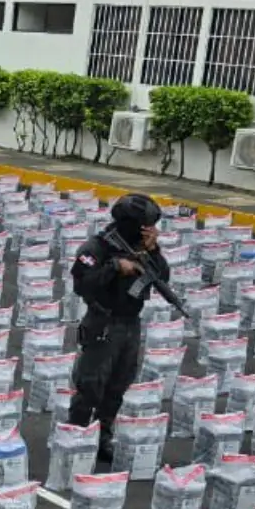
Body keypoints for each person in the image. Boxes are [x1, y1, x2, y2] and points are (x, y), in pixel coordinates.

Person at [68, 194, 170, 463]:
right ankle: (75, 436)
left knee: (118, 384)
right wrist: (114, 267)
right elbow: (82, 284)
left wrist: (153, 251)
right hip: (103, 322)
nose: (148, 231)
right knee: (91, 385)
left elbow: (162, 278)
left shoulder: (140, 247)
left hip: (129, 324)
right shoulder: (98, 248)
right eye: (144, 225)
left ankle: (103, 435)